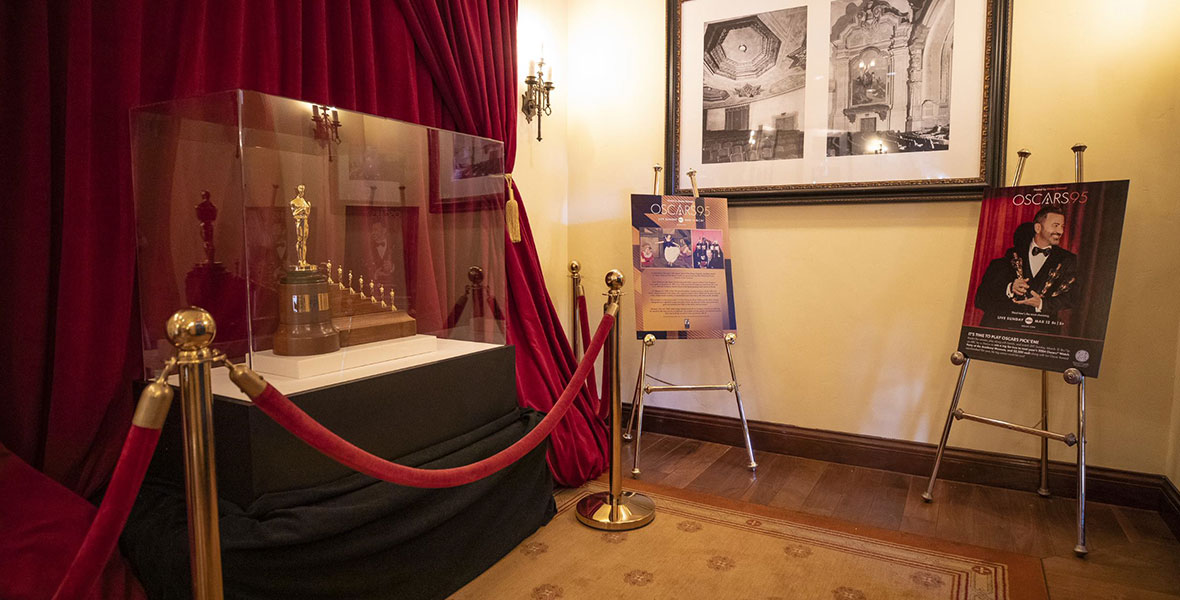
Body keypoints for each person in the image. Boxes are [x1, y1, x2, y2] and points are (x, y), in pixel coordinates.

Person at [974, 206, 1079, 332]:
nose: (1060, 231)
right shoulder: (1006, 259)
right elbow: (981, 299)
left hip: (1042, 336)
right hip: (1003, 333)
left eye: (1062, 226)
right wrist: (1010, 288)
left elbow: (1073, 297)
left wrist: (1042, 304)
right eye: (1055, 225)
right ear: (1038, 228)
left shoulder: (1068, 260)